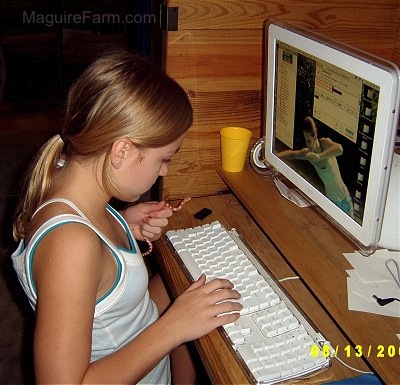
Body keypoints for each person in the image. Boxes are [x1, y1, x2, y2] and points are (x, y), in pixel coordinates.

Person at [11, 51, 242, 385]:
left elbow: (111, 302)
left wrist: (122, 223)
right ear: (121, 151)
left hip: (151, 361)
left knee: (199, 276)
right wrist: (174, 327)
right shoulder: (71, 245)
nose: (164, 171)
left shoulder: (71, 187)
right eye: (164, 159)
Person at [278, 116, 353, 216]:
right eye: (305, 140)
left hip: (344, 198)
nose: (307, 144)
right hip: (331, 201)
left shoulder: (325, 144)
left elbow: (339, 149)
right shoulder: (308, 154)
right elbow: (292, 154)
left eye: (308, 140)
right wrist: (271, 155)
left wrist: (319, 156)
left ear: (315, 136)